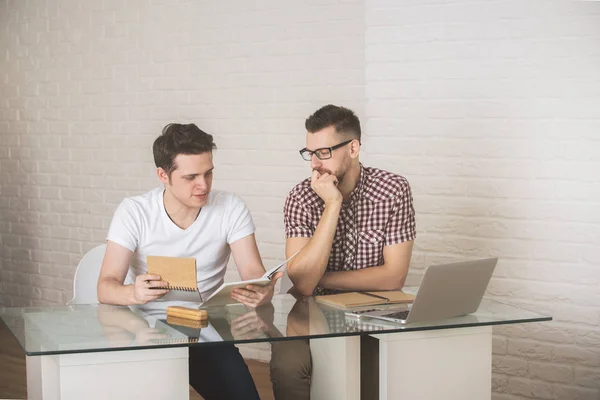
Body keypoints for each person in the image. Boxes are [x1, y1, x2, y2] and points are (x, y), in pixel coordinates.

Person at [97, 122, 282, 400]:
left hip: (204, 326)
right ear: (163, 175)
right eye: (191, 177)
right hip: (148, 329)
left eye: (208, 174)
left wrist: (262, 291)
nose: (203, 185)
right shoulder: (134, 211)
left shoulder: (230, 207)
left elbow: (253, 272)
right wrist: (133, 292)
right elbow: (105, 287)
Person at [270, 105, 416, 399]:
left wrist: (320, 278)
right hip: (311, 316)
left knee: (377, 378)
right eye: (309, 153)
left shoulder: (393, 190)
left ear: (353, 148)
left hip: (374, 315)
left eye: (323, 152)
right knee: (287, 367)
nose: (314, 163)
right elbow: (303, 284)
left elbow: (393, 278)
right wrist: (332, 205)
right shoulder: (301, 197)